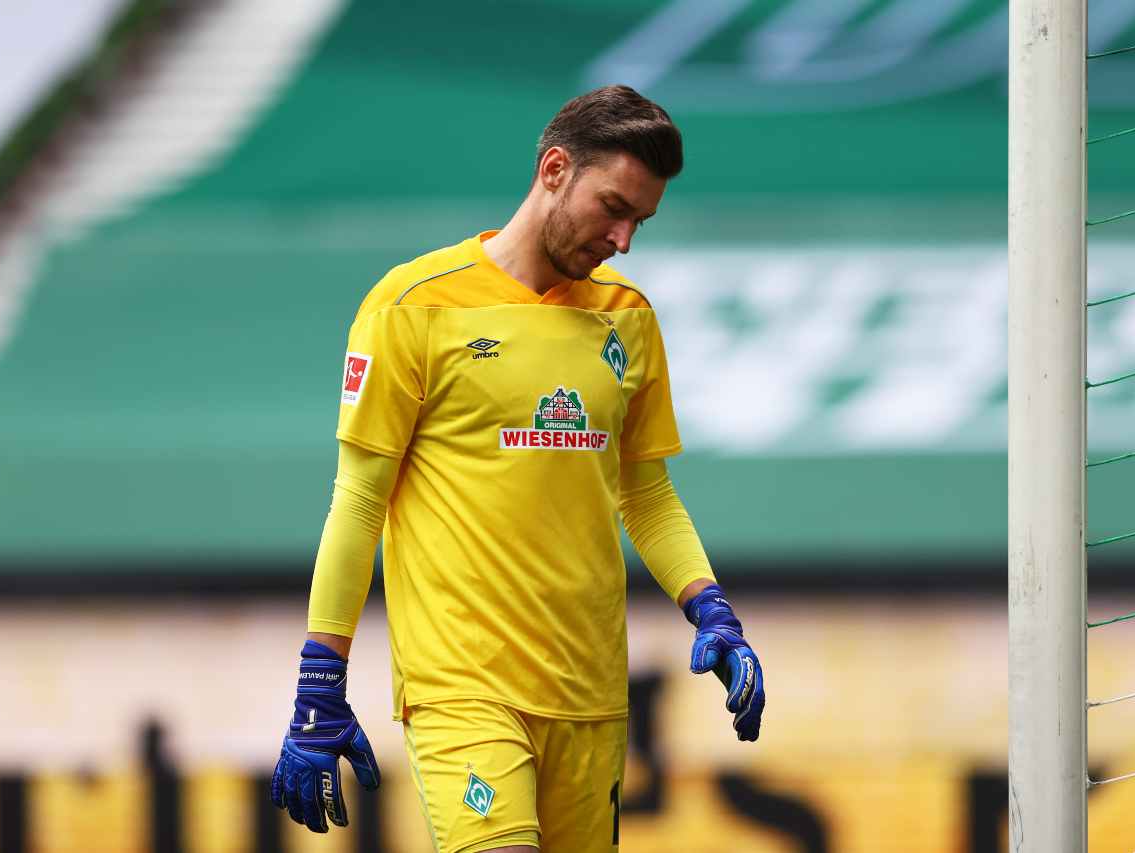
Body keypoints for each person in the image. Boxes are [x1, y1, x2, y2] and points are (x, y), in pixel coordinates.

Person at [270, 84, 765, 852]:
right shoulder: (413, 305)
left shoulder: (627, 318)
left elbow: (647, 494)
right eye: (613, 206)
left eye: (641, 220)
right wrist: (318, 680)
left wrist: (712, 609)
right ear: (556, 168)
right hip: (463, 686)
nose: (625, 237)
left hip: (591, 695)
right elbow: (360, 499)